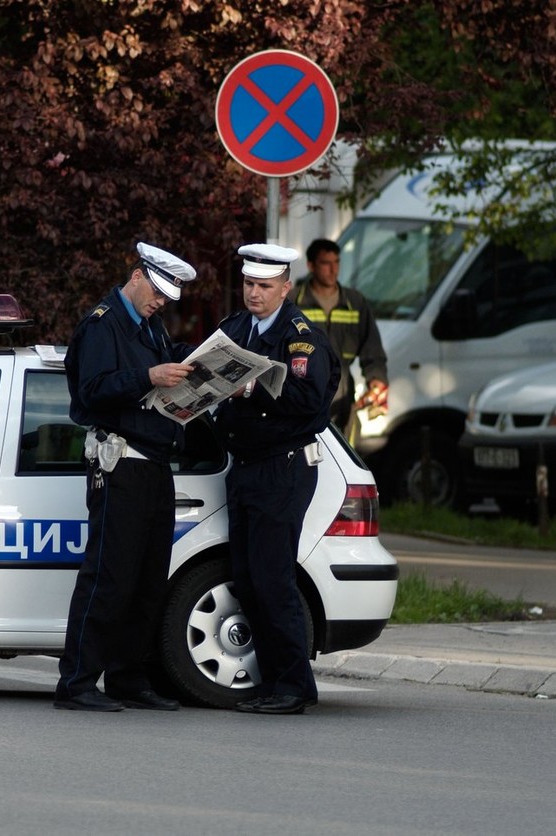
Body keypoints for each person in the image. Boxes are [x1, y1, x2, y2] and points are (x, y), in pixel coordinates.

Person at [54, 242, 198, 712]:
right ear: (137, 276)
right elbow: (92, 392)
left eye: (166, 298)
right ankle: (76, 683)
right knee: (109, 578)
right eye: (156, 292)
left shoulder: (149, 326)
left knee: (148, 579)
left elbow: (160, 363)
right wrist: (148, 376)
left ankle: (127, 678)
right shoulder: (103, 325)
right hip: (120, 462)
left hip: (155, 462)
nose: (160, 303)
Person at [215, 243, 340, 715]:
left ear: (285, 288)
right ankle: (272, 681)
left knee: (272, 579)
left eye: (265, 286)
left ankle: (293, 687)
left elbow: (310, 398)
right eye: (248, 284)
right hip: (246, 467)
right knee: (247, 579)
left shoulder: (301, 335)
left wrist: (251, 385)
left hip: (282, 468)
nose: (254, 294)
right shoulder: (235, 327)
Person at [292, 238, 388, 438]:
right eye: (326, 263)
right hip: (301, 398)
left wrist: (376, 379)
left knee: (346, 457)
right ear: (311, 265)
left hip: (343, 399)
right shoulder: (293, 302)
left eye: (336, 262)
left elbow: (373, 349)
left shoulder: (355, 302)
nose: (333, 269)